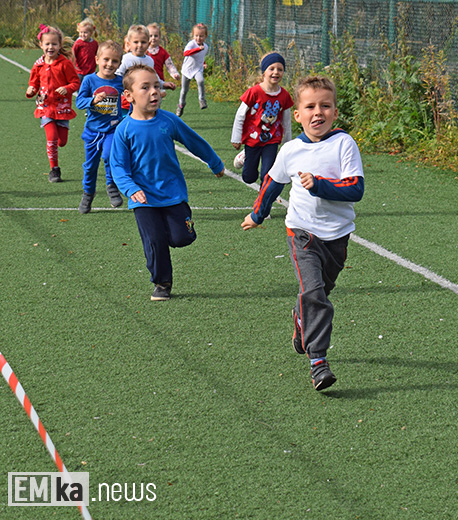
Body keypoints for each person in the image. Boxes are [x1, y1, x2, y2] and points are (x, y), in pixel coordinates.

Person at [241, 75, 364, 391]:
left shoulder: (343, 144)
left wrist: (320, 184)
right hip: (302, 233)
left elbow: (356, 188)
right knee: (314, 293)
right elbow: (272, 183)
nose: (317, 112)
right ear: (298, 114)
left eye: (325, 106)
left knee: (320, 292)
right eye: (310, 106)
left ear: (335, 112)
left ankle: (301, 319)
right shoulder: (291, 150)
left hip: (336, 237)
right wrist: (258, 214)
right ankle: (318, 362)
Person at [110, 65, 224, 301]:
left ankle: (178, 231)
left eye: (156, 86)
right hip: (143, 198)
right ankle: (162, 283)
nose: (154, 92)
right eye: (146, 87)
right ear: (128, 96)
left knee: (182, 237)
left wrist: (215, 163)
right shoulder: (124, 130)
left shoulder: (169, 121)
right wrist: (132, 189)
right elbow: (118, 167)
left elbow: (195, 142)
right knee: (153, 240)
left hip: (172, 193)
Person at [75, 40, 125, 213]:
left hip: (113, 129)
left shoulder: (121, 82)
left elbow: (131, 98)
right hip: (92, 132)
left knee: (110, 155)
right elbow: (79, 102)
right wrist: (92, 100)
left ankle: (111, 186)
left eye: (115, 61)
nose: (110, 64)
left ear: (120, 62)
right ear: (97, 59)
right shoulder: (89, 80)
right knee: (90, 166)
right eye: (106, 60)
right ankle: (88, 193)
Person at [26, 24, 80, 183]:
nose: (50, 47)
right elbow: (33, 83)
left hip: (62, 109)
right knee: (51, 138)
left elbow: (75, 82)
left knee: (61, 142)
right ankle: (54, 170)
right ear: (41, 45)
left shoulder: (65, 64)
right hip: (45, 108)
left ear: (60, 45)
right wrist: (30, 90)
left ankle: (54, 148)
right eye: (47, 44)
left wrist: (67, 88)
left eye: (54, 44)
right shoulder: (38, 65)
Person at [230, 52, 293, 185]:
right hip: (252, 139)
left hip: (272, 139)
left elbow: (286, 121)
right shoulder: (253, 92)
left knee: (267, 175)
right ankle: (245, 155)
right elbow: (240, 115)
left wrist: (287, 143)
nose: (276, 72)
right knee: (249, 177)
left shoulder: (284, 95)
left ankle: (263, 200)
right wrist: (236, 138)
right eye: (272, 68)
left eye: (280, 69)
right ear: (264, 72)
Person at [116, 25, 175, 91]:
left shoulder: (149, 60)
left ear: (148, 44)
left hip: (144, 94)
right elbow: (118, 75)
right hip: (127, 95)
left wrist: (163, 84)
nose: (140, 45)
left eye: (143, 42)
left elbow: (153, 76)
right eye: (136, 42)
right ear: (129, 44)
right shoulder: (125, 59)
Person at [176, 23, 209, 117]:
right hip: (187, 70)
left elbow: (200, 57)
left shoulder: (205, 47)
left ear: (206, 36)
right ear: (193, 35)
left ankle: (202, 100)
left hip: (197, 69)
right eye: (196, 35)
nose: (199, 38)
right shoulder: (191, 44)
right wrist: (198, 49)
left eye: (201, 36)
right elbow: (186, 53)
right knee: (184, 90)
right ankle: (181, 105)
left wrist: (204, 63)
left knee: (201, 80)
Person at [146, 23, 180, 90]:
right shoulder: (144, 51)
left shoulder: (162, 52)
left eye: (156, 36)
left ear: (159, 37)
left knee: (158, 98)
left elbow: (169, 64)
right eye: (150, 36)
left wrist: (175, 73)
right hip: (146, 80)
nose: (153, 38)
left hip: (159, 81)